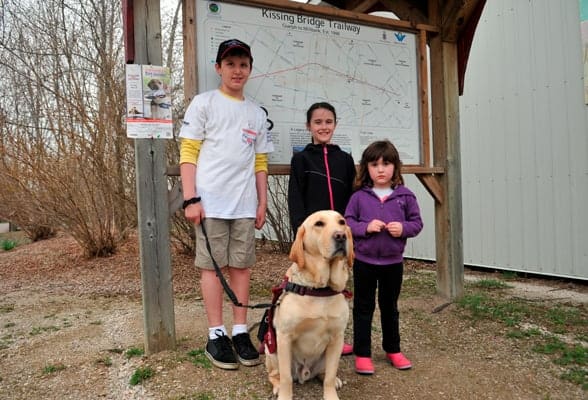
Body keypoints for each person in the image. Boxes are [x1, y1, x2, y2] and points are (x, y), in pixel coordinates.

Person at [179, 38, 274, 370]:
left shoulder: (256, 113)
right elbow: (188, 154)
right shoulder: (203, 104)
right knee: (212, 267)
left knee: (242, 267)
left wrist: (262, 202)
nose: (237, 70)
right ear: (218, 68)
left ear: (250, 69)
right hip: (210, 205)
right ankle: (216, 334)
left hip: (245, 206)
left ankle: (238, 331)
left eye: (243, 64)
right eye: (230, 64)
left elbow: (260, 163)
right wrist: (190, 198)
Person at [344, 139, 423, 375]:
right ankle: (363, 353)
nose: (381, 169)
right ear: (366, 168)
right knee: (363, 308)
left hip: (393, 264)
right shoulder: (359, 197)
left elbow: (416, 223)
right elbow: (348, 222)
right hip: (364, 263)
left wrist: (404, 228)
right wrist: (365, 227)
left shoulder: (406, 196)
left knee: (389, 308)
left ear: (395, 167)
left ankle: (393, 349)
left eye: (386, 164)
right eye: (375, 164)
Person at [287, 101, 356, 355]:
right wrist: (300, 233)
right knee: (310, 286)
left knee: (339, 285)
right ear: (309, 126)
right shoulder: (301, 159)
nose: (323, 127)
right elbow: (295, 198)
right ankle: (305, 335)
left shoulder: (345, 159)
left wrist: (350, 232)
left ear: (335, 125)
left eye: (328, 122)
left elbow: (352, 198)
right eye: (318, 122)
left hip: (338, 238)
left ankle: (335, 336)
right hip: (314, 240)